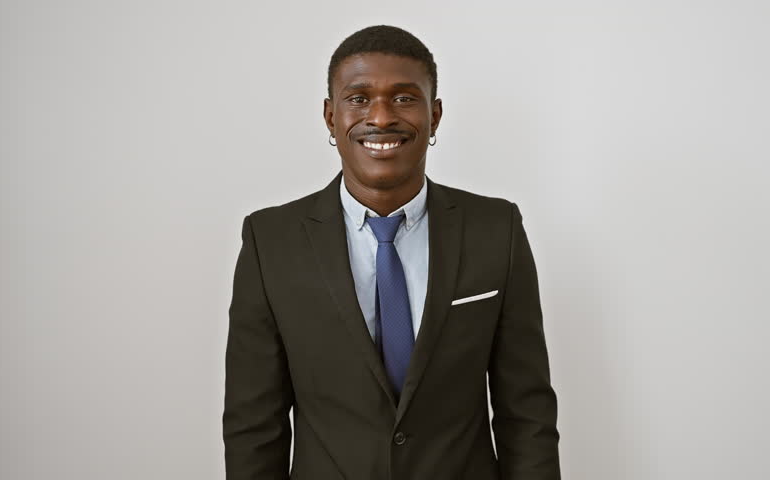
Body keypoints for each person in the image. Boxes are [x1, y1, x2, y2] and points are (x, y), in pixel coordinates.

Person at [223, 24, 561, 480]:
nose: (381, 117)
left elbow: (527, 415)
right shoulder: (270, 242)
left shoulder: (497, 230)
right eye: (359, 98)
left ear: (434, 115)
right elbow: (253, 427)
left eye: (403, 98)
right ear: (330, 116)